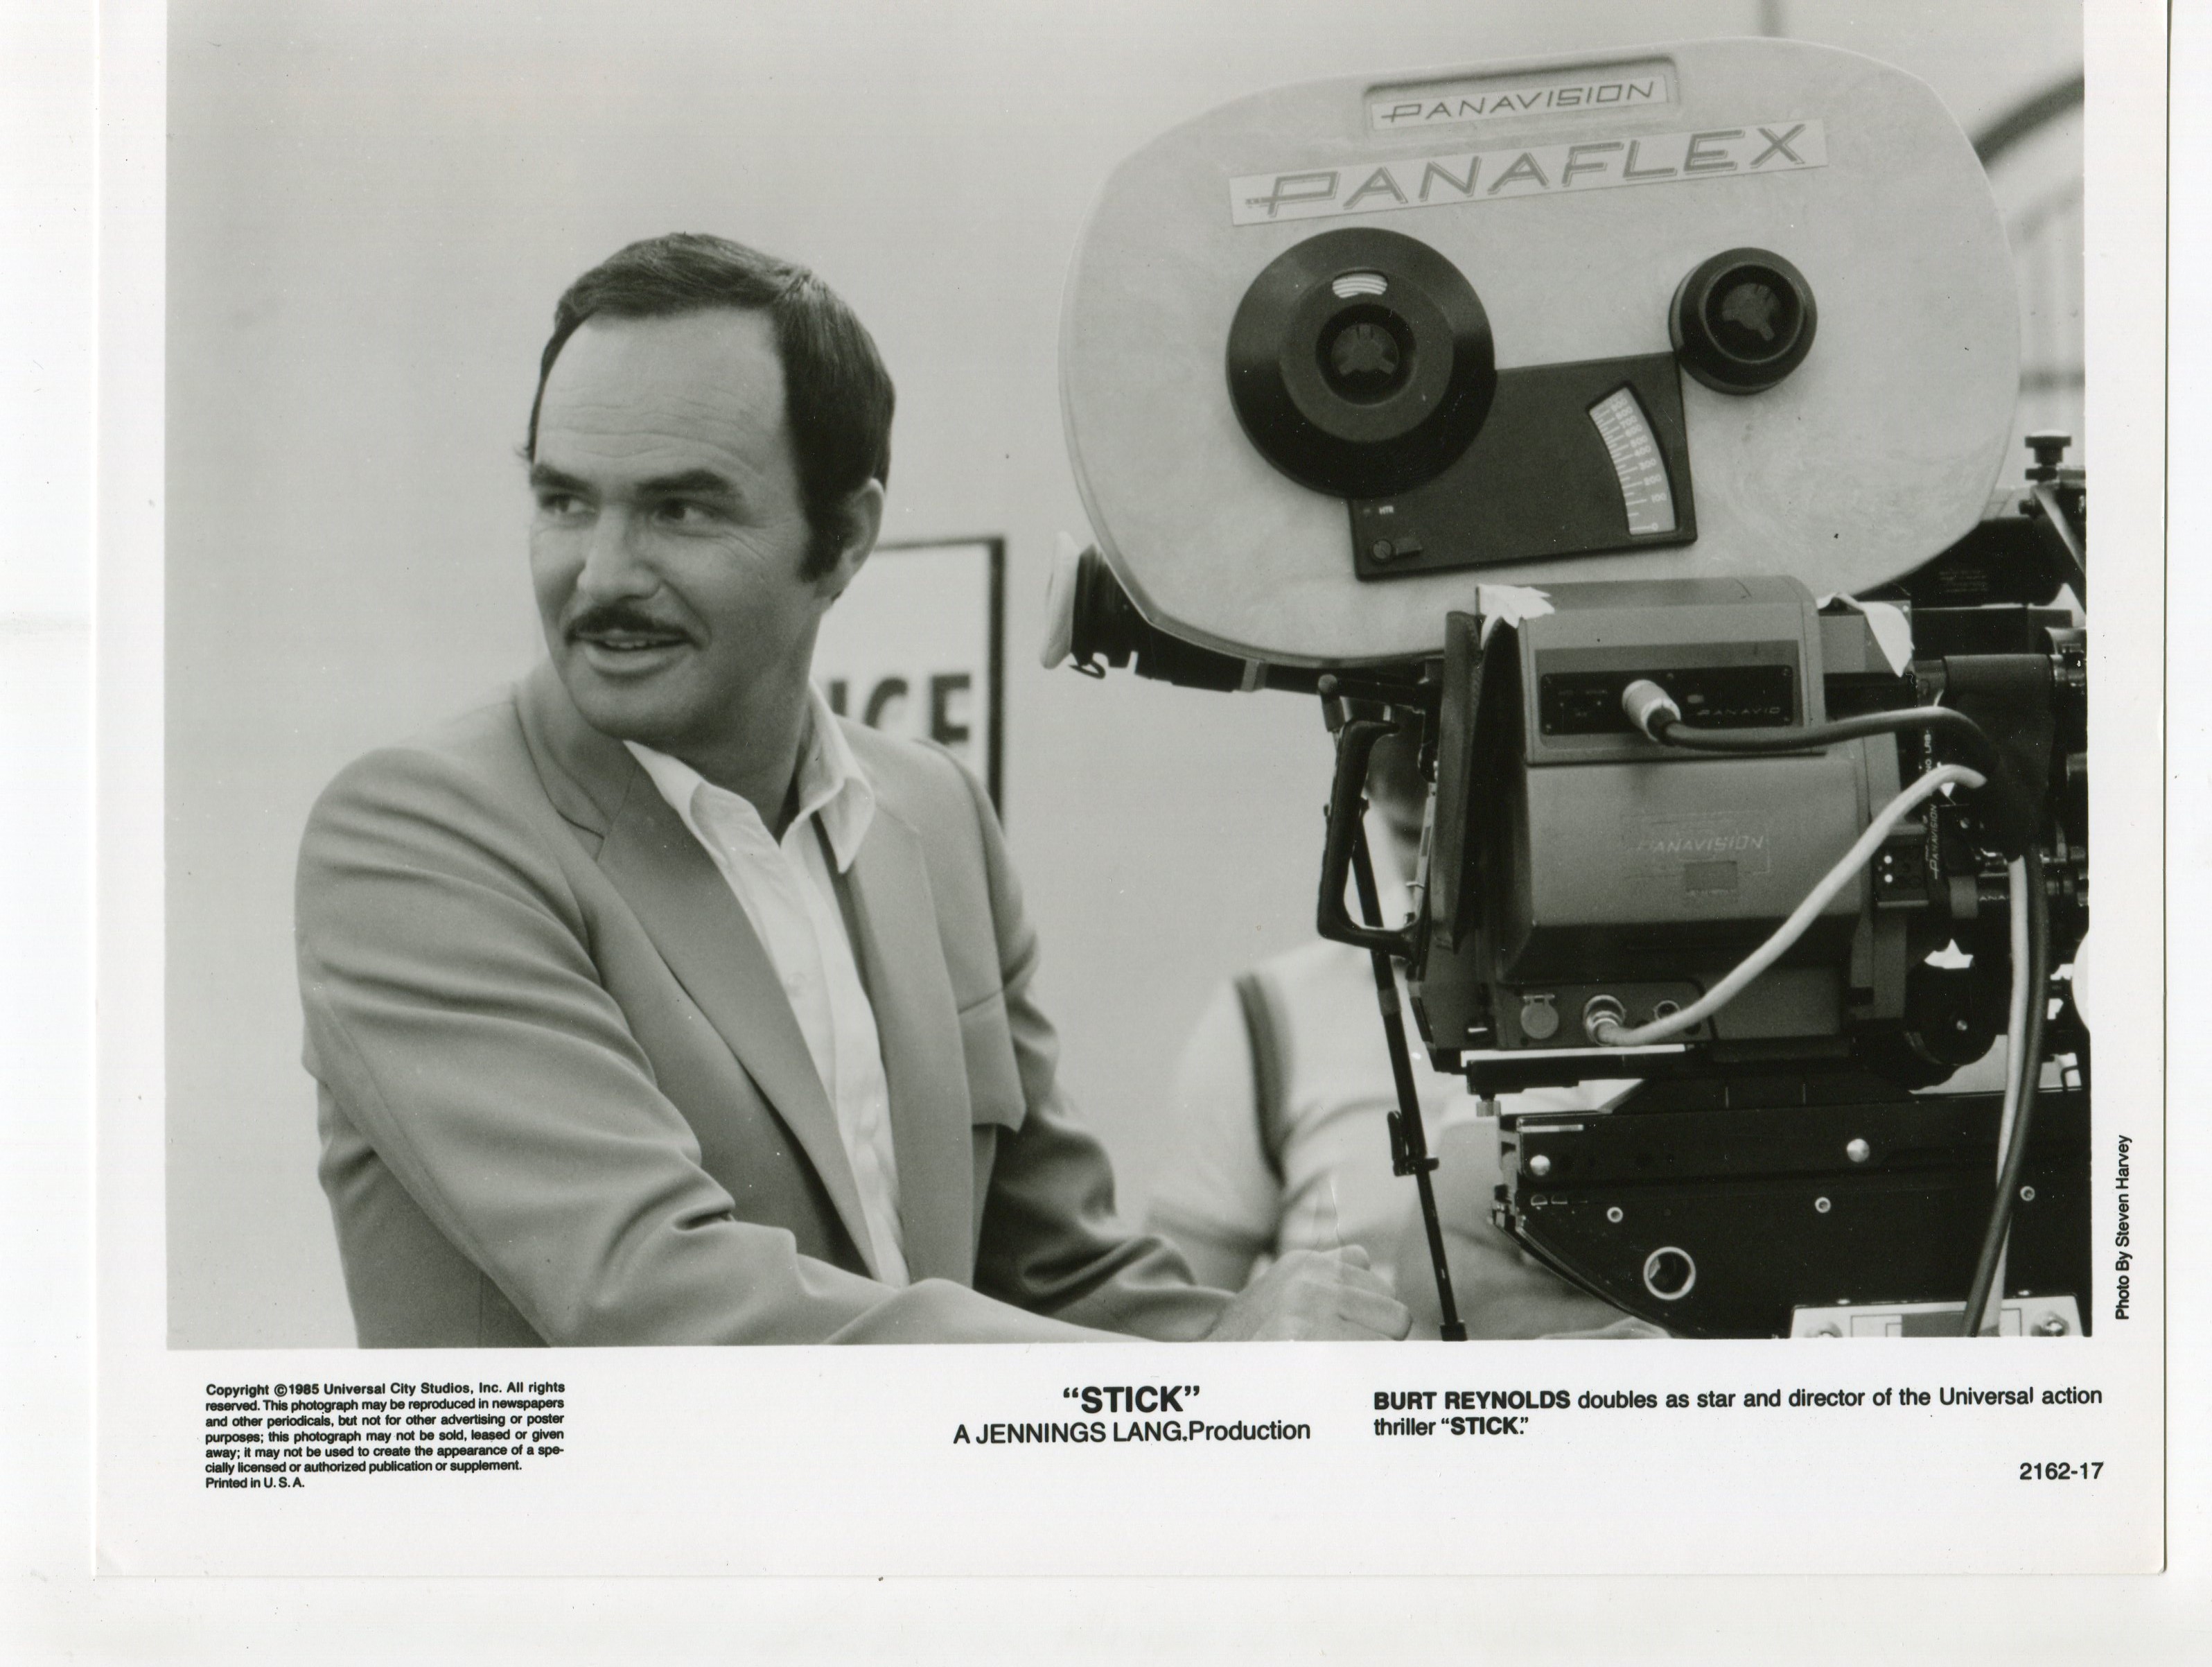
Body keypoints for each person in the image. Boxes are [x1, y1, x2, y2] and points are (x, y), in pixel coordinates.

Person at [295, 232, 1410, 1348]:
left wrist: (1281, 1342)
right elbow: (658, 1294)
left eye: (681, 509)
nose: (603, 573)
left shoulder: (932, 812)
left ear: (844, 541)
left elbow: (1054, 1273)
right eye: (565, 501)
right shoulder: (419, 838)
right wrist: (1216, 1380)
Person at [1146, 731, 1652, 1338]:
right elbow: (1180, 1332)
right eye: (1415, 836)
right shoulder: (1266, 1018)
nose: (1447, 876)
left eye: (1483, 838)